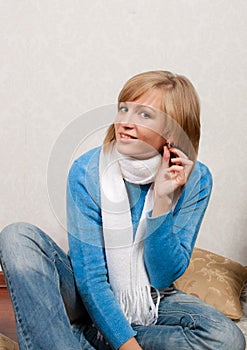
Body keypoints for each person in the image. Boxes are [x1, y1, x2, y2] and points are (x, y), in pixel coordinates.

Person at [0, 70, 245, 350]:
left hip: (152, 298)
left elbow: (163, 277)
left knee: (226, 339)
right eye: (124, 109)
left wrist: (162, 200)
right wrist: (128, 346)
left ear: (173, 129)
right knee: (17, 237)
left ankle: (86, 338)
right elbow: (90, 278)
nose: (125, 122)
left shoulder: (196, 180)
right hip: (84, 292)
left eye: (144, 115)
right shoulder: (87, 170)